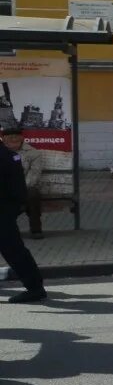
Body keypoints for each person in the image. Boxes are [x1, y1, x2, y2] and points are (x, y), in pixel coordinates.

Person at [0, 123, 46, 303]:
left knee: (13, 250)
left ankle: (35, 288)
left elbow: (17, 189)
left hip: (2, 212)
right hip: (6, 211)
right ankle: (35, 287)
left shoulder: (6, 157)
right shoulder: (9, 155)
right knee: (14, 249)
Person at [3, 125, 44, 238]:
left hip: (25, 187)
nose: (13, 139)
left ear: (22, 138)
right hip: (4, 188)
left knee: (33, 194)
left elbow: (34, 174)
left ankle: (36, 229)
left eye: (16, 137)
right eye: (9, 137)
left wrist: (19, 188)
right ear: (3, 139)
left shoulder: (33, 153)